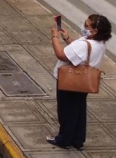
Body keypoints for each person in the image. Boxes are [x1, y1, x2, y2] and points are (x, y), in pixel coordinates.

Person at [48, 14, 112, 150]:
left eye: (87, 26)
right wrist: (67, 39)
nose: (84, 27)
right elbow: (81, 54)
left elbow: (61, 54)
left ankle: (64, 139)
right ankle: (77, 140)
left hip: (70, 82)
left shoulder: (85, 44)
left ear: (95, 31)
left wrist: (54, 37)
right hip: (84, 83)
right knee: (78, 110)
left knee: (66, 111)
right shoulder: (98, 43)